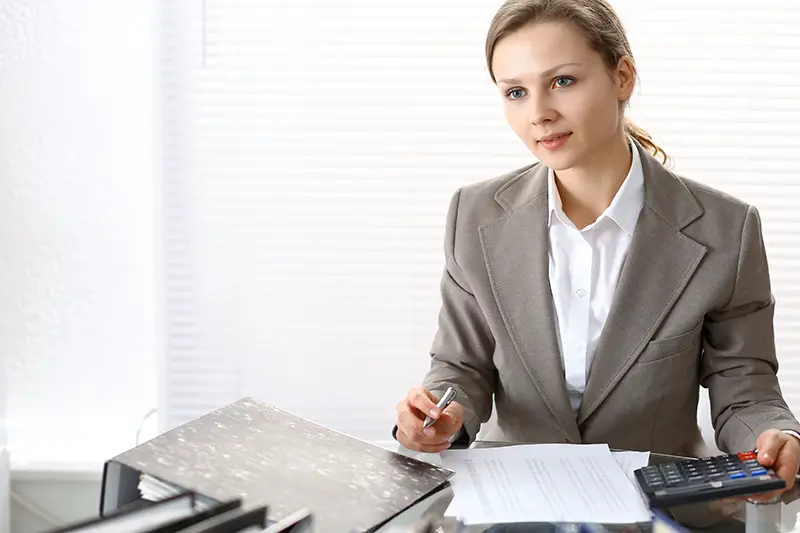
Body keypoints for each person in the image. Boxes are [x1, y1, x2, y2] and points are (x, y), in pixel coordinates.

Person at [393, 0, 800, 497]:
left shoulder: (725, 230)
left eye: (563, 81)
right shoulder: (474, 215)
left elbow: (744, 387)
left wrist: (773, 438)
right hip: (512, 500)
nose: (539, 113)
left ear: (622, 78)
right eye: (516, 92)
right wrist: (439, 413)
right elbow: (461, 367)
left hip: (657, 503)